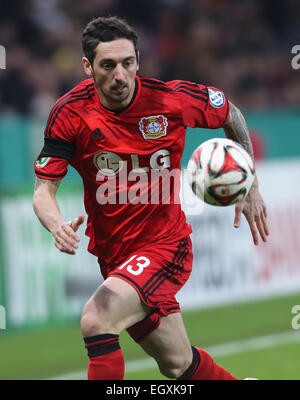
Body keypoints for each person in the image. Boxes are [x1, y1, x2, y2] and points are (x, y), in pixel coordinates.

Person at [33, 16, 269, 380]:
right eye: (108, 66)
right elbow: (43, 192)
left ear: (138, 59)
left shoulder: (170, 99)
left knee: (97, 319)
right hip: (115, 255)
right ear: (87, 66)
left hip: (165, 246)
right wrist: (56, 224)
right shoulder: (70, 113)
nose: (120, 75)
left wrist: (250, 181)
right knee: (177, 364)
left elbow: (230, 112)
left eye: (128, 63)